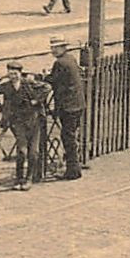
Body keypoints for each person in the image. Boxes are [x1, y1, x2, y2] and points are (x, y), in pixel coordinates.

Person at [0, 59, 46, 189]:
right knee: (22, 151)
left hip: (34, 120)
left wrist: (36, 100)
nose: (13, 76)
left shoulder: (28, 83)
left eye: (16, 73)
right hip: (18, 122)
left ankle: (29, 179)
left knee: (33, 152)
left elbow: (46, 87)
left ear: (20, 73)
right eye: (11, 73)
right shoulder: (7, 86)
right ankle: (19, 178)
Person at [46, 37, 86, 180]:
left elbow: (53, 80)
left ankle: (73, 170)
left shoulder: (60, 62)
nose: (53, 50)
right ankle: (75, 166)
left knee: (67, 138)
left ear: (63, 47)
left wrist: (41, 77)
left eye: (55, 48)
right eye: (52, 47)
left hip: (68, 106)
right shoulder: (71, 58)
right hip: (78, 104)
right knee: (71, 136)